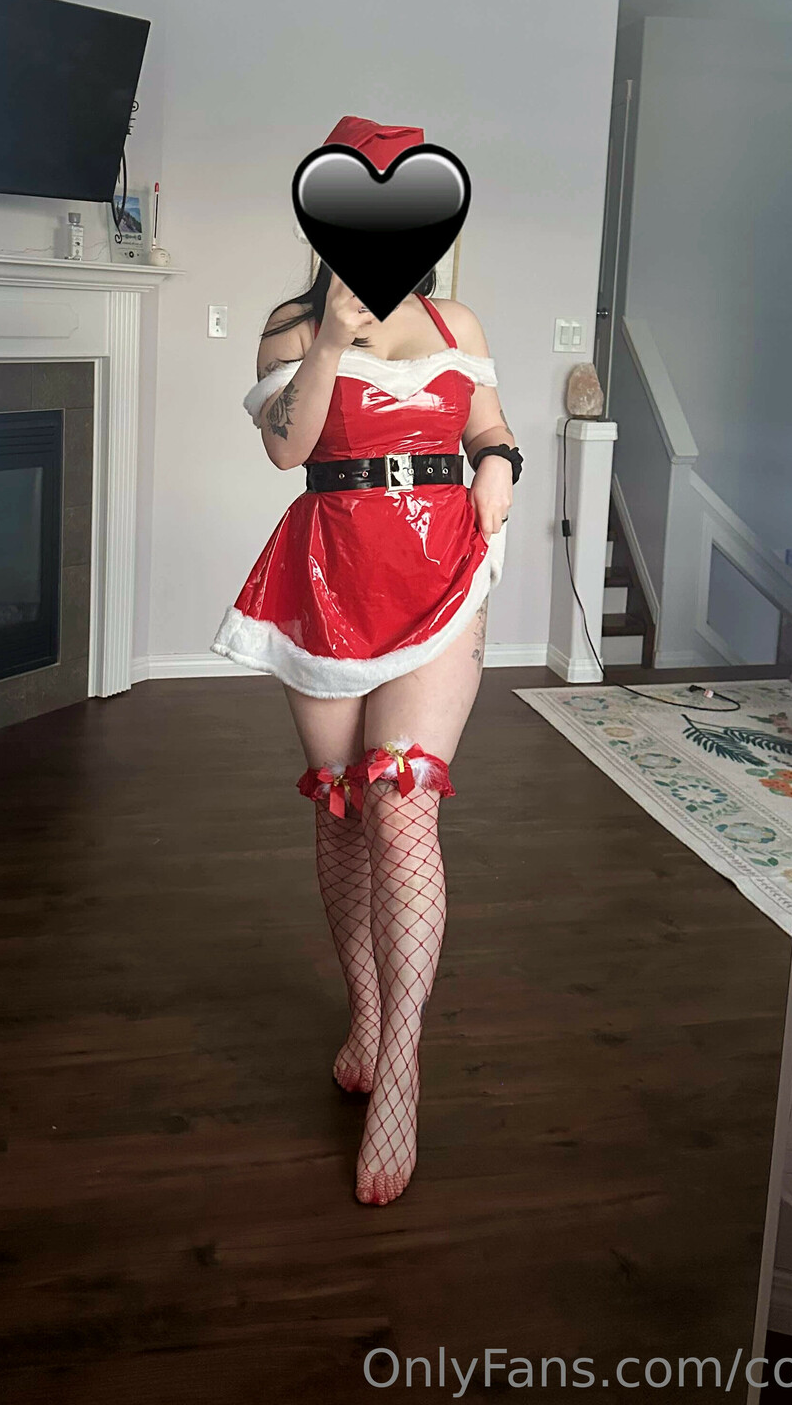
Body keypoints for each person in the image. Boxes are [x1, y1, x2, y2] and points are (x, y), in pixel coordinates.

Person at [211, 116, 522, 1206]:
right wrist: (331, 341)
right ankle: (369, 1011)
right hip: (330, 573)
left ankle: (403, 1065)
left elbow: (489, 424)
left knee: (403, 804)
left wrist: (499, 466)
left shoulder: (454, 321)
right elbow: (285, 450)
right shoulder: (290, 327)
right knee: (343, 807)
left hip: (440, 569)